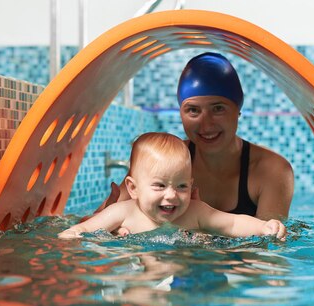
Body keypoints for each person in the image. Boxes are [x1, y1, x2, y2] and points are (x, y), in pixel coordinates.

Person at [97, 52, 294, 221]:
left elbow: (269, 252)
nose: (206, 124)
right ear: (181, 114)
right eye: (193, 110)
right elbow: (93, 224)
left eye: (218, 109)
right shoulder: (162, 161)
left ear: (238, 110)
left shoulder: (271, 171)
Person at [58, 132, 286, 240]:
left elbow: (232, 222)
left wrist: (263, 227)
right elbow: (88, 228)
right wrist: (74, 232)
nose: (172, 195)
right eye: (159, 186)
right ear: (133, 188)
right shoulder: (123, 213)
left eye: (182, 186)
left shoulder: (196, 212)